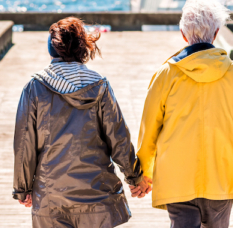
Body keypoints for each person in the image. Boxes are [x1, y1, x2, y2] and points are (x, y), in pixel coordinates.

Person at [131, 0, 233, 228]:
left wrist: (143, 174)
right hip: (222, 175)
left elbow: (148, 131)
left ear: (183, 34)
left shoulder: (166, 74)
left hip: (177, 179)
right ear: (216, 33)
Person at [13, 17, 145, 228]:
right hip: (98, 195)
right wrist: (135, 177)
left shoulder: (34, 88)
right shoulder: (100, 86)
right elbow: (118, 138)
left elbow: (24, 146)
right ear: (83, 49)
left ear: (52, 49)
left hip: (51, 197)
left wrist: (23, 188)